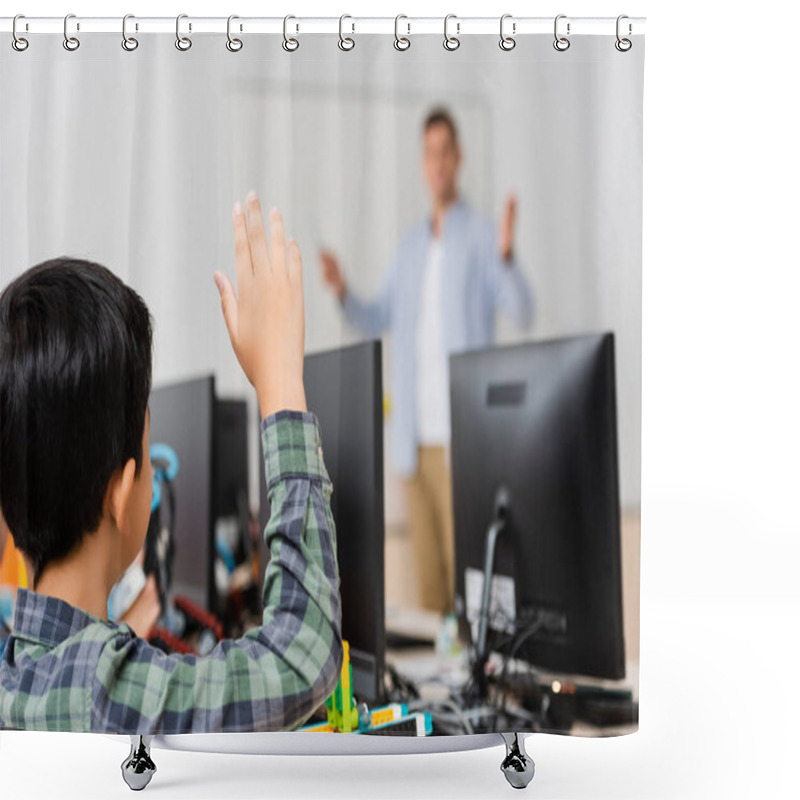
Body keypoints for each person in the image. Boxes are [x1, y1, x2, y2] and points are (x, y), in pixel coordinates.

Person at [0, 193, 343, 733]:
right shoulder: (104, 690)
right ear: (123, 492)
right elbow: (300, 658)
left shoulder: (17, 671)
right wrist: (280, 381)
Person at [320, 107, 533, 614]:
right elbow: (376, 316)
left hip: (465, 440)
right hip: (413, 447)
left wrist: (506, 257)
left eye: (445, 152)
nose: (437, 163)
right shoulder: (411, 245)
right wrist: (343, 289)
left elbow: (522, 311)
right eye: (429, 153)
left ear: (458, 159)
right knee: (431, 594)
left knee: (473, 587)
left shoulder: (483, 236)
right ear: (423, 162)